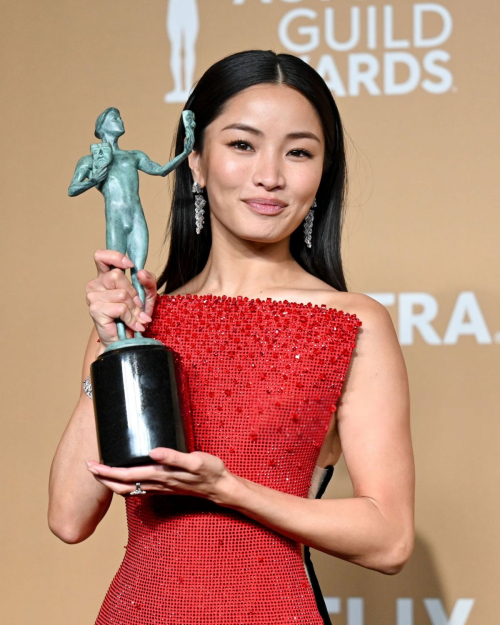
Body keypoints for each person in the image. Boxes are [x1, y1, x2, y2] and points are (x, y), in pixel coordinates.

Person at [49, 50, 415, 625]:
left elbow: (390, 539)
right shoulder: (143, 314)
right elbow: (69, 518)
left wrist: (228, 488)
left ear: (322, 174)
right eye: (242, 145)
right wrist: (113, 343)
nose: (270, 174)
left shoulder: (353, 321)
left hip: (272, 608)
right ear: (194, 160)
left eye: (298, 152)